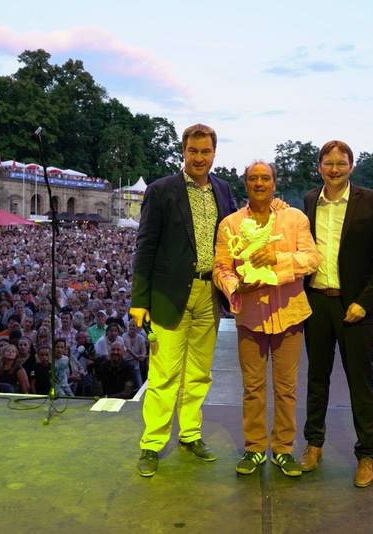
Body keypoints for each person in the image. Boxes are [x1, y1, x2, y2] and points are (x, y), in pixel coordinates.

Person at [130, 124, 237, 477]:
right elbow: (145, 245)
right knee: (163, 374)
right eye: (193, 151)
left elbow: (238, 231)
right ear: (183, 152)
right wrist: (138, 300)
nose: (199, 158)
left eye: (205, 152)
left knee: (199, 373)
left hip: (210, 293)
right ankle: (152, 443)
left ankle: (190, 434)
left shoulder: (223, 189)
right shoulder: (161, 191)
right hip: (168, 293)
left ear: (214, 153)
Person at [214, 161, 320, 477]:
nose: (259, 183)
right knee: (253, 386)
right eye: (253, 178)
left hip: (289, 315)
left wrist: (277, 262)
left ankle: (284, 450)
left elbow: (312, 259)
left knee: (286, 388)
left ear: (274, 183)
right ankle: (255, 448)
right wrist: (237, 285)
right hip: (250, 315)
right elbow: (222, 267)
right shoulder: (230, 224)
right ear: (245, 184)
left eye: (265, 178)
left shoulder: (294, 218)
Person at [300, 140, 373, 488]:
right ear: (320, 166)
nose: (335, 169)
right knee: (316, 379)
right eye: (329, 163)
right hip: (317, 303)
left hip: (354, 305)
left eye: (341, 163)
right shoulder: (310, 201)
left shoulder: (371, 201)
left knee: (359, 383)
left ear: (351, 166)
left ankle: (366, 455)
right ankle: (313, 445)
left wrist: (365, 301)